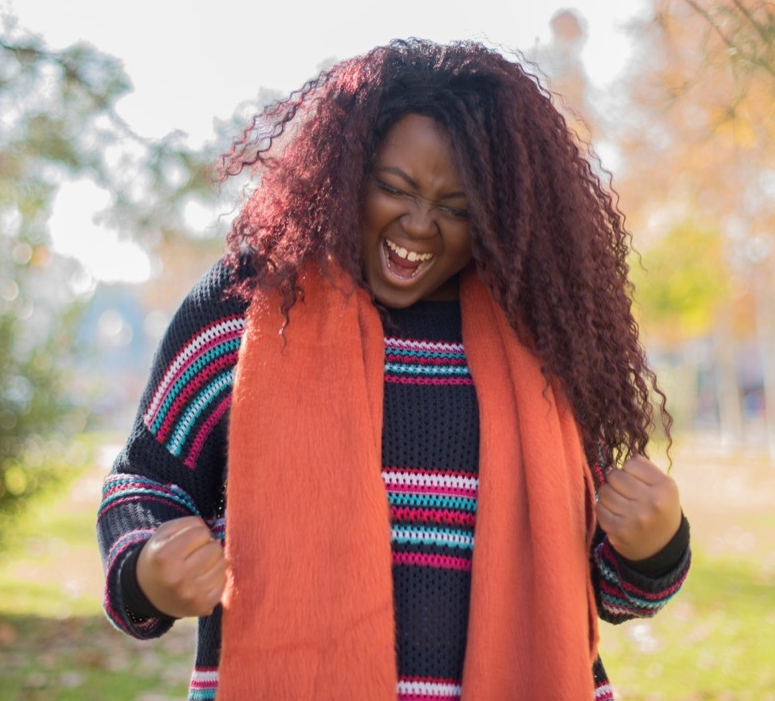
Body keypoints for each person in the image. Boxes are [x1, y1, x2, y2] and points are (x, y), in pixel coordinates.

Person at [96, 39, 690, 701]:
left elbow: (611, 588)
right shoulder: (249, 305)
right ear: (346, 171)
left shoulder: (545, 332)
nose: (420, 224)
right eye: (394, 187)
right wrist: (146, 570)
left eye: (457, 207)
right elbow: (144, 481)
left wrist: (654, 545)